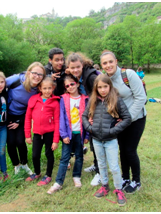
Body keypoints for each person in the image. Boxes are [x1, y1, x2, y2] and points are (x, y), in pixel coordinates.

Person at [100, 50, 146, 194]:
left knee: (130, 150)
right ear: (102, 65)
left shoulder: (129, 75)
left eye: (110, 61)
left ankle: (136, 180)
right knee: (122, 149)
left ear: (116, 61)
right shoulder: (106, 80)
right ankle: (125, 177)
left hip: (136, 118)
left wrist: (127, 119)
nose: (108, 65)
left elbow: (141, 98)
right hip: (118, 121)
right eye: (104, 63)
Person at [82, 74, 131, 206]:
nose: (103, 90)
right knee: (101, 164)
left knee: (114, 167)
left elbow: (127, 118)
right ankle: (104, 185)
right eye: (100, 87)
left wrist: (113, 131)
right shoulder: (93, 100)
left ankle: (118, 189)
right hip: (96, 140)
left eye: (105, 86)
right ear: (96, 88)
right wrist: (90, 129)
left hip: (111, 140)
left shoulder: (117, 100)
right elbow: (84, 116)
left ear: (110, 86)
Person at [47, 74, 89, 194]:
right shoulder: (63, 99)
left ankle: (77, 176)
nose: (70, 87)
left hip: (80, 134)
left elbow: (88, 117)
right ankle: (58, 182)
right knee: (65, 158)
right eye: (67, 85)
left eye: (72, 84)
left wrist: (86, 136)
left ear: (77, 84)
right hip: (68, 135)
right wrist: (64, 135)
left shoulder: (85, 99)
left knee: (79, 156)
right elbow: (61, 119)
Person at [66, 52, 101, 186]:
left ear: (83, 65)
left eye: (77, 67)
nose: (75, 70)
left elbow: (99, 96)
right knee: (93, 143)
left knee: (98, 143)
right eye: (72, 68)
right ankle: (95, 165)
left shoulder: (90, 77)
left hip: (97, 113)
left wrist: (94, 115)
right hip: (90, 113)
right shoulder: (79, 76)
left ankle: (99, 172)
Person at [6, 62, 46, 176]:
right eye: (35, 73)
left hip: (23, 116)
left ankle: (24, 163)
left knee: (20, 141)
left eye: (40, 75)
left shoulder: (39, 88)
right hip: (8, 114)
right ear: (28, 73)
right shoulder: (16, 80)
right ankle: (16, 165)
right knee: (10, 142)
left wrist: (19, 121)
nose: (37, 76)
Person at [24, 77, 60, 186]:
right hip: (37, 133)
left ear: (53, 88)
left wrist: (56, 140)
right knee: (35, 155)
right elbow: (27, 118)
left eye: (49, 88)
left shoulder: (55, 103)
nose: (47, 91)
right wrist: (27, 135)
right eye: (45, 88)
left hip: (50, 133)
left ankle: (48, 175)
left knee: (49, 154)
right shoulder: (33, 100)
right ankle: (37, 173)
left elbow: (57, 122)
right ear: (40, 88)